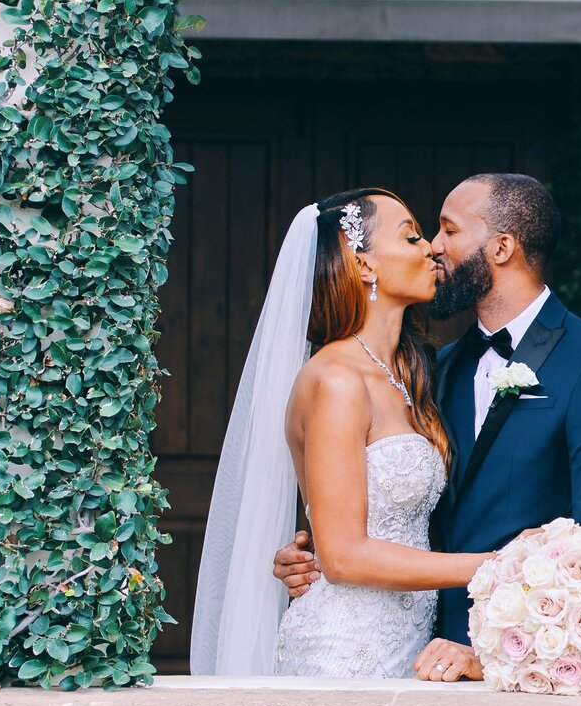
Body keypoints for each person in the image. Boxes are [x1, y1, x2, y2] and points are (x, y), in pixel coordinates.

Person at [273, 172, 581, 681]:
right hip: (395, 646)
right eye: (419, 235)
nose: (433, 247)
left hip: (508, 658)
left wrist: (498, 651)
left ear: (501, 247)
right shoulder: (437, 368)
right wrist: (317, 554)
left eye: (447, 231)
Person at [187, 188, 492, 677]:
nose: (431, 248)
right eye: (411, 236)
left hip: (411, 640)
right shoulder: (336, 381)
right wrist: (496, 565)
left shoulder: (410, 374)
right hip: (343, 648)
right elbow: (345, 556)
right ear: (364, 265)